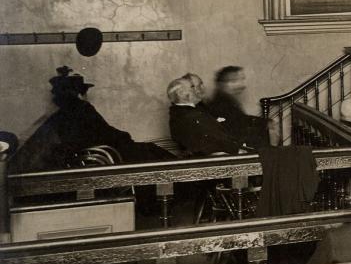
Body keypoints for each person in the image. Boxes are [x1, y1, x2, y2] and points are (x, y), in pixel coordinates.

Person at [13, 67, 169, 171]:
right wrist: (126, 136)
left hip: (83, 157)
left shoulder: (58, 116)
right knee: (152, 153)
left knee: (150, 151)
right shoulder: (82, 109)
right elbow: (107, 134)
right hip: (101, 156)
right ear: (80, 94)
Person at [168, 75, 244, 156]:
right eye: (192, 87)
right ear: (181, 93)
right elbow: (210, 143)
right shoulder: (187, 117)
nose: (197, 90)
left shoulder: (189, 112)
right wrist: (236, 150)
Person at [204, 66, 267, 149]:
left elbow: (240, 119)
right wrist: (264, 123)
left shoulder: (227, 100)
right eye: (234, 81)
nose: (241, 85)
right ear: (222, 84)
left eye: (241, 80)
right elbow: (237, 125)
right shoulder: (221, 103)